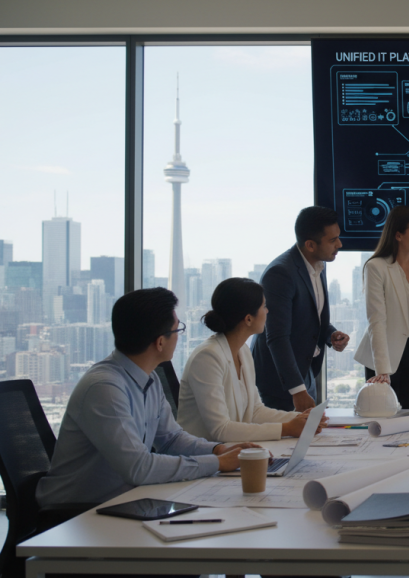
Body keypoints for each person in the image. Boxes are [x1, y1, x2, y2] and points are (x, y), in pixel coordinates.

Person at [36, 288, 258, 509]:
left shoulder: (148, 377)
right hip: (74, 513)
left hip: (124, 500)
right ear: (160, 342)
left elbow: (170, 439)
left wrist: (217, 450)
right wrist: (216, 463)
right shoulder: (105, 389)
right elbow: (138, 468)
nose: (179, 337)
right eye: (177, 329)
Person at [178, 278, 328, 442]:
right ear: (248, 319)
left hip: (234, 451)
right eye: (263, 306)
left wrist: (299, 419)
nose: (267, 311)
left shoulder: (243, 351)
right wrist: (287, 428)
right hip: (206, 459)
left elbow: (254, 411)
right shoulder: (207, 358)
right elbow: (221, 430)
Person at [252, 206, 351, 412]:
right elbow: (277, 337)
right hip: (280, 381)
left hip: (305, 371)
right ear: (310, 245)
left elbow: (310, 318)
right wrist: (297, 391)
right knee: (287, 441)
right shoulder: (280, 273)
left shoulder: (319, 265)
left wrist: (330, 334)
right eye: (333, 240)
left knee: (309, 435)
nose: (339, 244)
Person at [354, 206, 409, 409]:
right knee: (384, 417)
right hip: (383, 352)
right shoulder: (376, 267)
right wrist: (382, 369)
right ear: (398, 235)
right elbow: (376, 321)